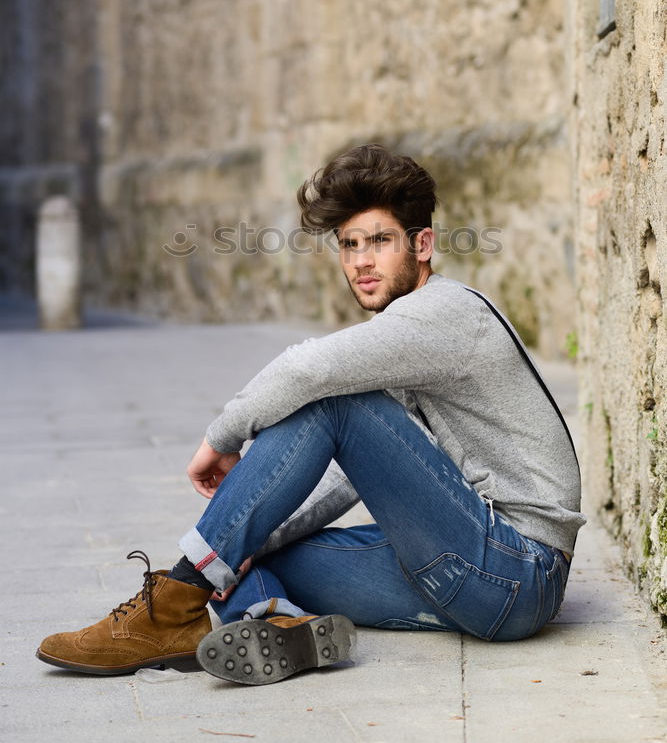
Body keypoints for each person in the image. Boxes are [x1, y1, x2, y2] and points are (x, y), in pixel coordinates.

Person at [36, 143, 585, 684]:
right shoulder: (406, 339)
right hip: (475, 574)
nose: (361, 262)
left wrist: (221, 437)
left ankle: (172, 601)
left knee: (334, 401)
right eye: (349, 246)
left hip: (515, 566)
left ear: (422, 244)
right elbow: (351, 473)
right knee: (255, 554)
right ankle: (271, 618)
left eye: (379, 242)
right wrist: (246, 543)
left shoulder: (444, 313)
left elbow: (308, 371)